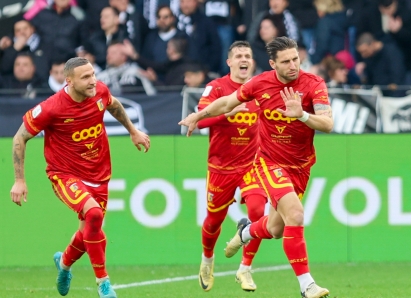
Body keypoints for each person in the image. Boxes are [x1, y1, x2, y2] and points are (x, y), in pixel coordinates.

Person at [179, 36, 332, 298]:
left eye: (296, 59)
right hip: (267, 162)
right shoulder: (259, 83)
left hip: (301, 166)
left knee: (275, 229)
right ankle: (307, 285)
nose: (293, 65)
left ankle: (246, 231)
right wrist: (199, 115)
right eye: (286, 61)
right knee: (295, 215)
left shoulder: (313, 83)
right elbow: (227, 103)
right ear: (273, 64)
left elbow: (328, 124)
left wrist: (303, 115)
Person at [9, 57, 150, 298]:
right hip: (65, 174)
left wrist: (133, 131)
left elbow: (113, 104)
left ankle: (63, 265)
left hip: (100, 173)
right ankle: (103, 283)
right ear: (69, 81)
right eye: (85, 77)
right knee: (94, 214)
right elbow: (19, 138)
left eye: (93, 74)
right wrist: (20, 180)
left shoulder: (99, 91)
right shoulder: (52, 107)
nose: (92, 81)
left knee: (89, 231)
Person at [195, 40, 268, 293]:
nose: (243, 59)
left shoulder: (260, 88)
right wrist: (224, 114)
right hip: (221, 166)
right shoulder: (216, 88)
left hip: (253, 165)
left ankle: (245, 268)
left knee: (258, 211)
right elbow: (201, 121)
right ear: (230, 62)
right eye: (238, 55)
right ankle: (207, 260)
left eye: (247, 55)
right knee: (213, 221)